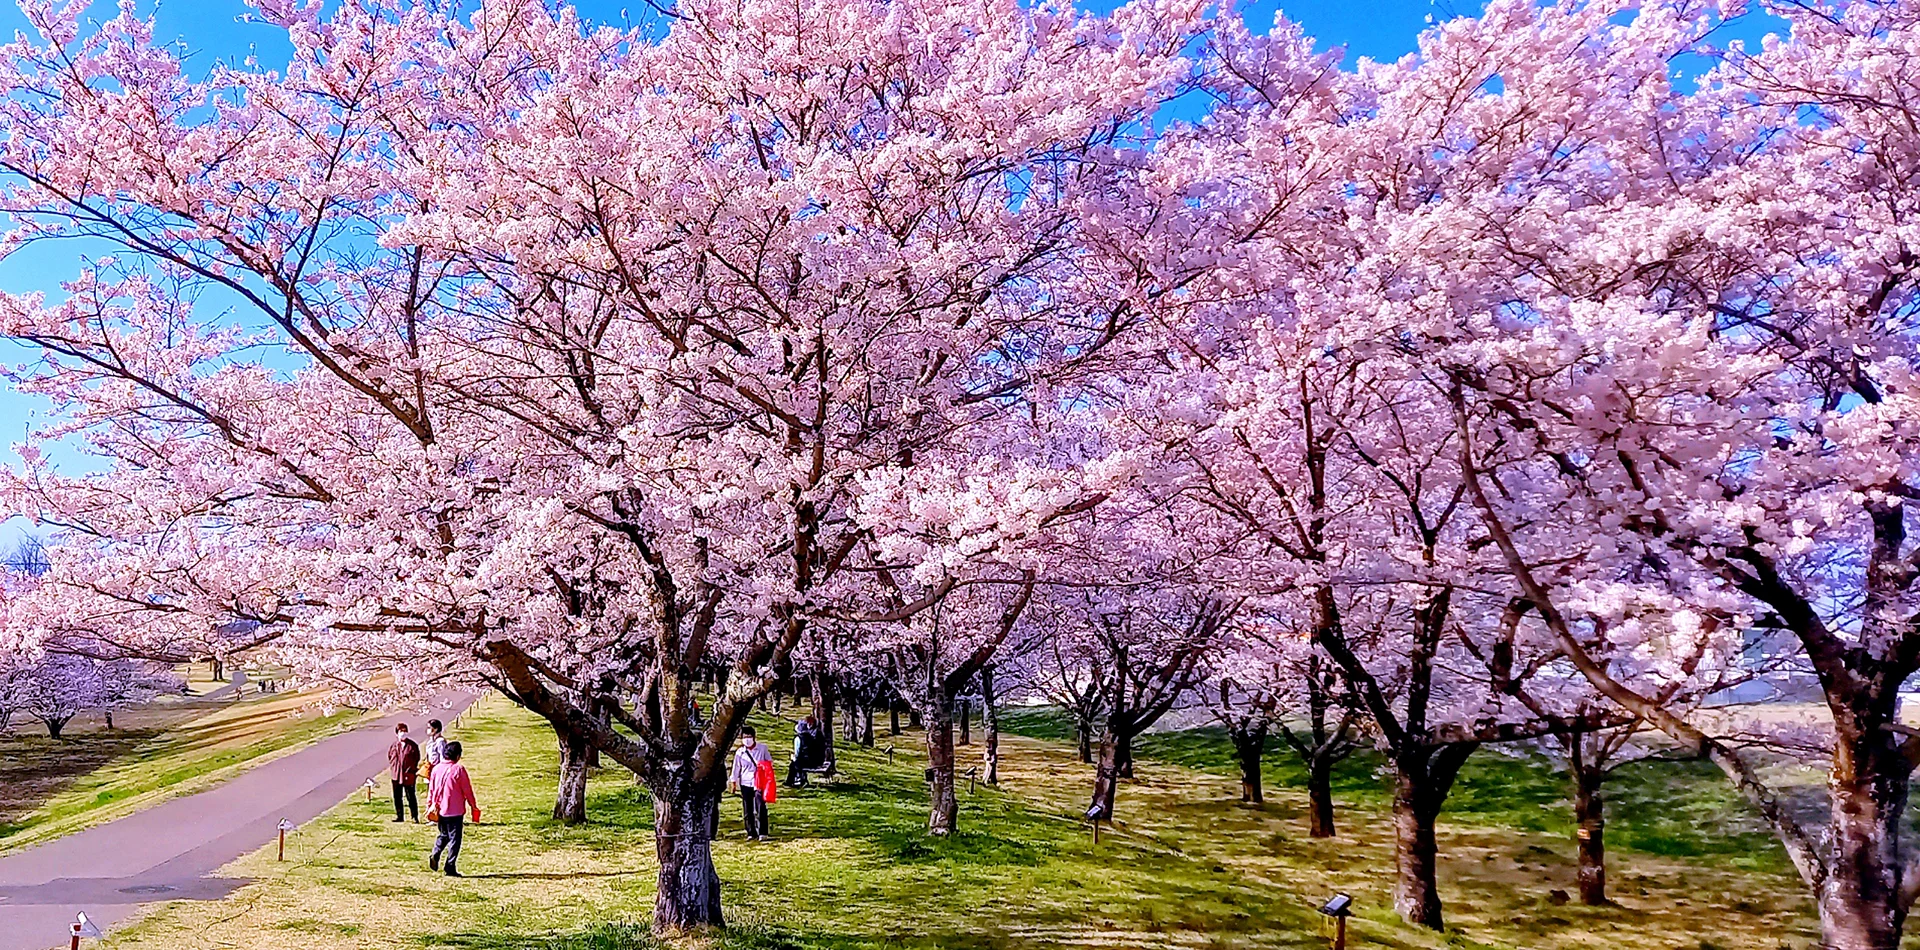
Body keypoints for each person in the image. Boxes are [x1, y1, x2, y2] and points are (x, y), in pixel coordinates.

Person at [427, 740, 481, 876]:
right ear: (457, 755)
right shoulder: (459, 770)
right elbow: (467, 790)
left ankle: (436, 852)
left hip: (439, 809)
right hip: (455, 810)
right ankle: (450, 866)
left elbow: (431, 790)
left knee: (443, 834)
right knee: (455, 839)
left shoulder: (436, 769)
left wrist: (429, 805)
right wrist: (473, 806)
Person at [731, 727, 773, 840]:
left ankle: (763, 832)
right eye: (744, 737)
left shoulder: (762, 749)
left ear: (754, 737)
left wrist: (762, 768)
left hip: (759, 782)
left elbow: (769, 763)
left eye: (749, 737)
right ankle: (751, 832)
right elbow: (736, 768)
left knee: (760, 806)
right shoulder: (740, 752)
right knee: (747, 808)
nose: (747, 739)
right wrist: (733, 781)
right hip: (745, 782)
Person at [387, 722, 422, 823]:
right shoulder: (394, 746)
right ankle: (399, 816)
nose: (403, 733)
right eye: (401, 731)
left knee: (410, 796)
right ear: (397, 733)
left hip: (408, 775)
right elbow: (390, 757)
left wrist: (411, 769)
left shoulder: (412, 746)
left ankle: (414, 816)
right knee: (397, 797)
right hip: (396, 775)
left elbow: (416, 758)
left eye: (405, 731)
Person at [787, 714, 819, 787]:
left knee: (793, 764)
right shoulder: (811, 738)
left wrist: (793, 757)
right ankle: (800, 779)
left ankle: (792, 781)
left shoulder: (798, 739)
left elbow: (797, 753)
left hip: (804, 762)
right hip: (813, 762)